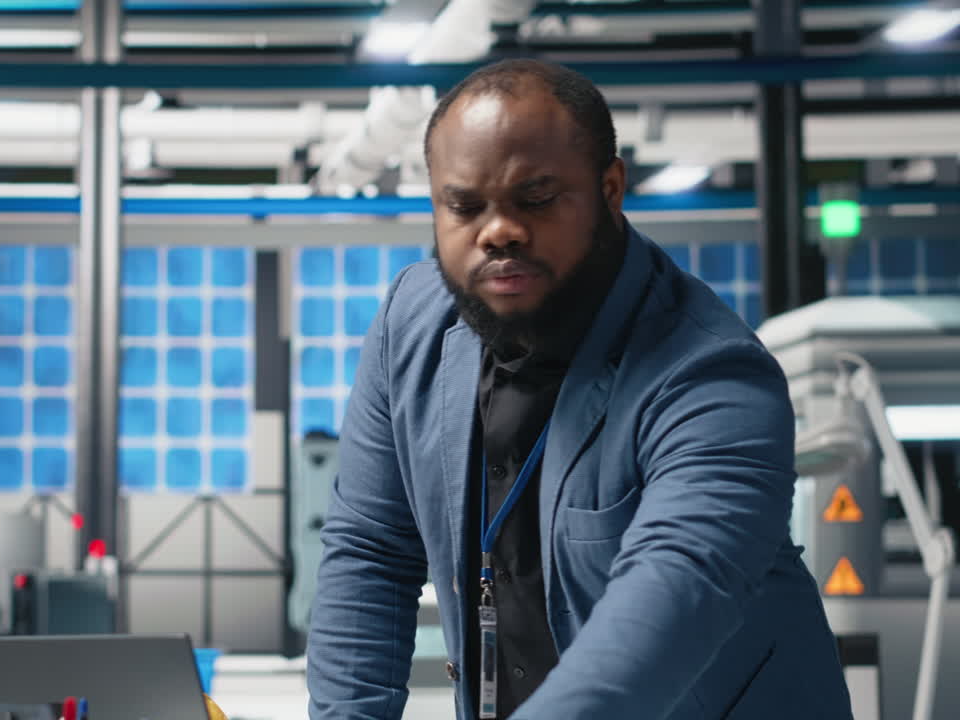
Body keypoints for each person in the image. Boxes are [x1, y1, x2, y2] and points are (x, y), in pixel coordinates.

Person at [305, 59, 853, 720]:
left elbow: (668, 602)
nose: (498, 230)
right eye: (465, 206)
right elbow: (369, 553)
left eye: (535, 198)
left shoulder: (711, 375)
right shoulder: (411, 326)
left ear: (609, 189)